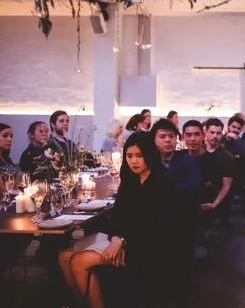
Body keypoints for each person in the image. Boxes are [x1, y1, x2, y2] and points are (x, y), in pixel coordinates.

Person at [57, 132, 183, 308]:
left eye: (139, 156)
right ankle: (80, 301)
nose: (134, 161)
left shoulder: (162, 182)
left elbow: (160, 227)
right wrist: (116, 237)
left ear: (149, 154)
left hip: (147, 247)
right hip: (119, 237)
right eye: (129, 156)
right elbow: (117, 215)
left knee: (78, 261)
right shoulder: (131, 179)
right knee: (64, 256)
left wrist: (123, 240)